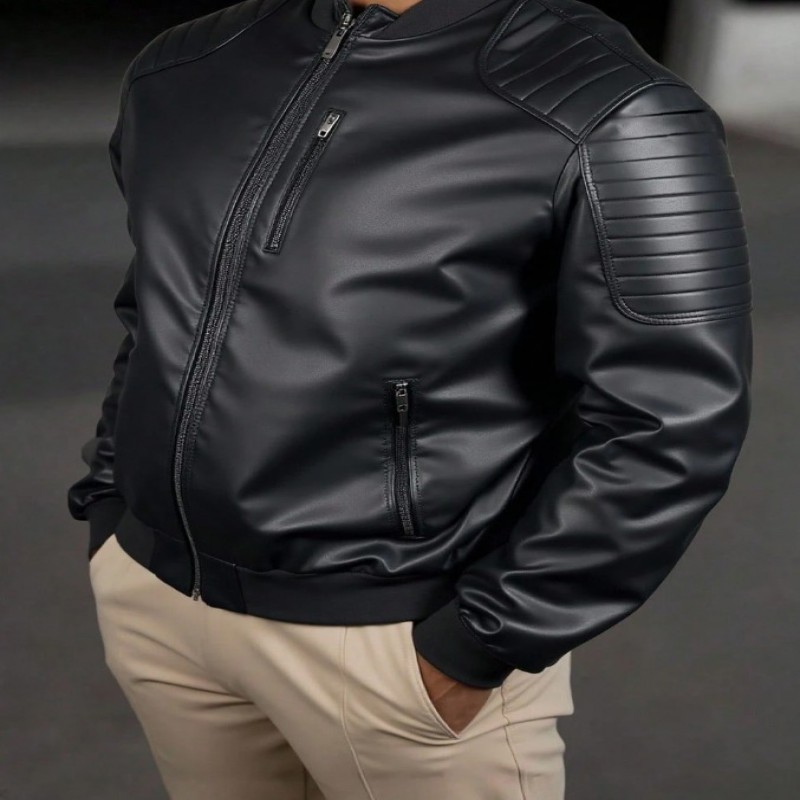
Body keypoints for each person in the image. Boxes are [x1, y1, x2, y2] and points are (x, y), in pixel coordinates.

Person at [67, 0, 753, 797]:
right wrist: (111, 502)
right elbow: (156, 308)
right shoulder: (186, 63)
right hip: (157, 602)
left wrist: (484, 639)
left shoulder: (611, 106)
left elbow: (673, 418)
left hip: (394, 642)